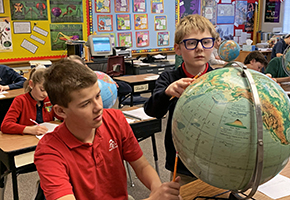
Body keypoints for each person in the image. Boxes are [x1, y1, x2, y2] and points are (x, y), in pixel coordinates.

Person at [34, 59, 182, 200]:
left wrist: (158, 191)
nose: (99, 107)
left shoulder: (115, 119)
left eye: (98, 96)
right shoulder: (49, 151)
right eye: (85, 104)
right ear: (61, 111)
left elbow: (142, 165)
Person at [144, 14, 217, 186]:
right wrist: (167, 93)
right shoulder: (169, 78)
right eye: (191, 43)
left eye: (206, 42)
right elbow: (151, 110)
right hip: (183, 163)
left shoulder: (221, 79)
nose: (200, 48)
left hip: (216, 160)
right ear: (177, 49)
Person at [1, 68, 59, 135]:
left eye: (48, 91)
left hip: (45, 137)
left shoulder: (49, 100)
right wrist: (29, 129)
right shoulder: (20, 101)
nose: (45, 94)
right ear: (31, 84)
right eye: (42, 90)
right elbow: (5, 125)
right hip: (26, 140)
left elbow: (62, 115)